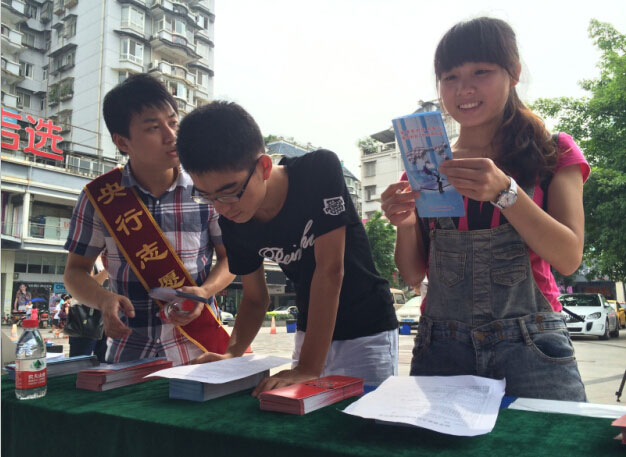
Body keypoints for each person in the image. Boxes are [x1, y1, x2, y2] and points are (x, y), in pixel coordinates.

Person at [381, 17, 588, 401]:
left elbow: (569, 256)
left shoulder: (552, 150)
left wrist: (507, 192)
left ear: (513, 74)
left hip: (533, 347)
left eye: (481, 72)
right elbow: (413, 273)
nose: (465, 89)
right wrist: (405, 223)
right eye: (450, 77)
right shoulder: (428, 162)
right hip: (441, 348)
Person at [176, 101, 399, 395]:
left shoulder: (319, 171)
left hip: (367, 330)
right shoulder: (234, 220)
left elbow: (331, 270)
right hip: (309, 334)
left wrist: (307, 367)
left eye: (230, 192)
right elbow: (255, 299)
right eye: (206, 196)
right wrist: (232, 354)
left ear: (264, 167)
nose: (222, 208)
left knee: (365, 427)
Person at [63, 74, 235, 366]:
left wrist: (206, 291)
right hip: (129, 351)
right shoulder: (99, 198)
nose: (171, 135)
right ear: (122, 141)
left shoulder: (205, 185)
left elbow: (231, 259)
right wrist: (103, 299)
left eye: (173, 122)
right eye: (154, 127)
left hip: (199, 348)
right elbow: (75, 273)